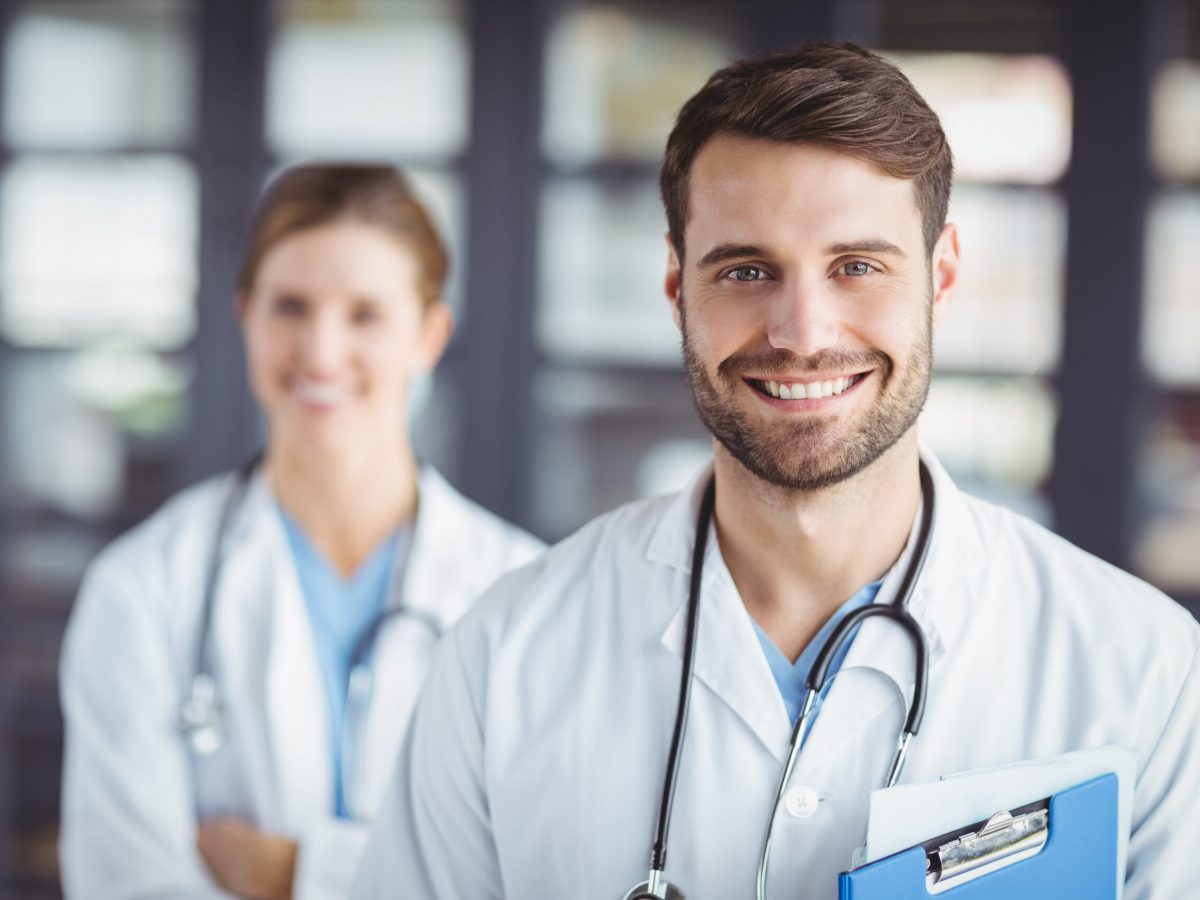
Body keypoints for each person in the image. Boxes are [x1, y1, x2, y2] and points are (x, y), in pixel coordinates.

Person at [351, 43, 1200, 898]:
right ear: (678, 286)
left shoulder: (1144, 672)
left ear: (941, 277)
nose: (800, 332)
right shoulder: (504, 657)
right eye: (747, 270)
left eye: (857, 267)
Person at [58, 164, 544, 900]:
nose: (320, 351)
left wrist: (294, 873)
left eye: (365, 314)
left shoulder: (526, 594)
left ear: (430, 335)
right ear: (245, 317)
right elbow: (125, 881)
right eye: (289, 307)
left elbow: (546, 875)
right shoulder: (143, 588)